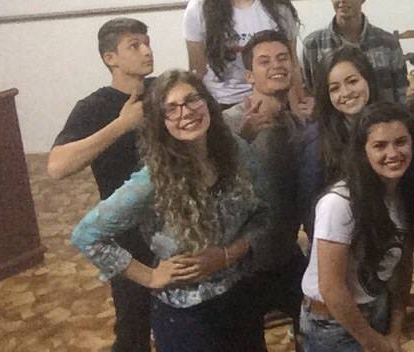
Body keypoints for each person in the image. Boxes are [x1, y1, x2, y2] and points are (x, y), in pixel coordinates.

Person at [72, 70, 270, 352]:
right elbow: (87, 234)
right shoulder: (151, 180)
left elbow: (264, 214)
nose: (185, 112)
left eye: (192, 100)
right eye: (171, 108)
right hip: (187, 317)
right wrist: (150, 277)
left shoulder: (236, 151)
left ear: (208, 103)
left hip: (242, 298)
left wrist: (227, 255)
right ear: (160, 122)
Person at [48, 18, 156, 352]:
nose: (146, 50)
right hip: (127, 233)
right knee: (134, 323)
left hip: (174, 223)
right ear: (110, 58)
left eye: (147, 42)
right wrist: (122, 125)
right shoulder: (93, 107)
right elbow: (57, 166)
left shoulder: (163, 90)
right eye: (134, 45)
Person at [299, 102, 414, 352]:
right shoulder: (338, 203)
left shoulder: (404, 195)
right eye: (380, 145)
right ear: (363, 151)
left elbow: (403, 267)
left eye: (401, 142)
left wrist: (395, 330)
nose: (393, 153)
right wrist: (373, 342)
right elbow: (331, 288)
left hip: (377, 308)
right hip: (333, 324)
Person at [222, 30, 309, 329]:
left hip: (286, 255)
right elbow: (206, 183)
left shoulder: (296, 124)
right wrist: (241, 139)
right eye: (265, 61)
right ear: (249, 76)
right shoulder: (227, 123)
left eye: (283, 58)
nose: (276, 65)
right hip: (240, 266)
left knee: (312, 333)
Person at [298, 46, 383, 233]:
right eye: (334, 88)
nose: (345, 93)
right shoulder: (316, 140)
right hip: (339, 237)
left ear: (368, 79)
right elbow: (310, 208)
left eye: (352, 81)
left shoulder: (389, 124)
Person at [302, 0, 409, 103]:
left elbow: (402, 95)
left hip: (382, 115)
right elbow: (311, 95)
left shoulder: (388, 43)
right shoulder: (313, 44)